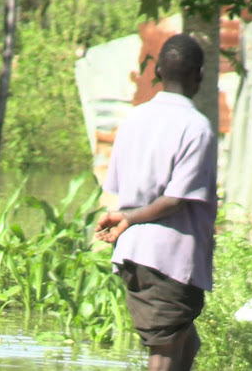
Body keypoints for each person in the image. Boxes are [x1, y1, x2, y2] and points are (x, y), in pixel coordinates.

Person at [95, 33, 217, 371]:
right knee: (163, 354)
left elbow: (120, 187)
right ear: (199, 75)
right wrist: (130, 219)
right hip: (169, 258)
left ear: (159, 71)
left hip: (135, 254)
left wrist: (127, 219)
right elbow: (176, 199)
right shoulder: (197, 128)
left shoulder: (134, 120)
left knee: (187, 343)